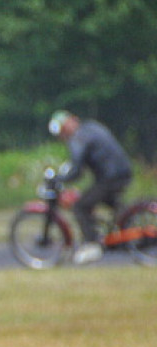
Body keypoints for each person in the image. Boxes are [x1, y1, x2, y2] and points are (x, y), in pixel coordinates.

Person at [48, 110, 134, 264]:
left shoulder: (78, 138)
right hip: (122, 172)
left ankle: (92, 244)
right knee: (108, 201)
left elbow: (77, 170)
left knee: (80, 206)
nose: (62, 135)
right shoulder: (91, 127)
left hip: (110, 177)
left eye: (62, 130)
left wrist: (59, 179)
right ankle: (126, 221)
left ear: (72, 121)